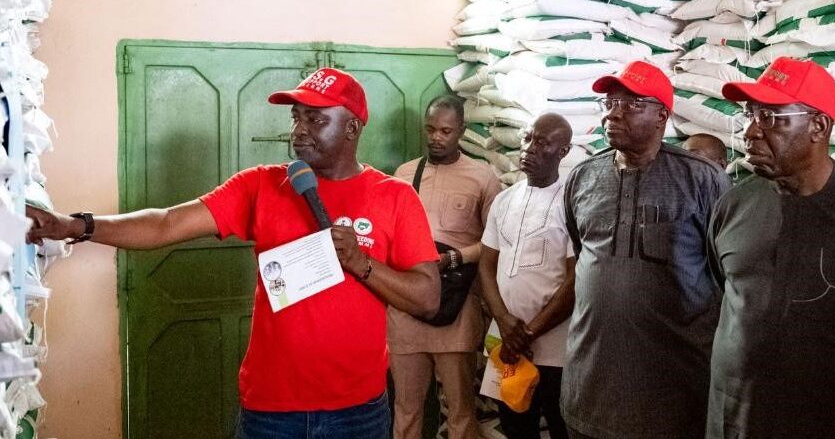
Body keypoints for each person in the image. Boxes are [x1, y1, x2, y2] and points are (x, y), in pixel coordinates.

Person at [25, 68, 441, 439]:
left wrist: (361, 264)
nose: (299, 129)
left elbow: (426, 297)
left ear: (351, 128)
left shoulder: (395, 197)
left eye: (315, 118)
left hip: (358, 411)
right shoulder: (261, 185)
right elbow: (167, 223)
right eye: (296, 117)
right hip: (271, 411)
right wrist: (76, 225)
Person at [561, 61, 732, 439]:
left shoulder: (702, 180)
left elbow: (727, 277)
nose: (614, 112)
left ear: (662, 117)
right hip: (590, 386)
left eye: (632, 103)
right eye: (609, 101)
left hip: (674, 393)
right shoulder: (582, 178)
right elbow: (582, 252)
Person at [707, 57, 835, 438]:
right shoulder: (733, 205)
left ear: (819, 126)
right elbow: (725, 291)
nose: (750, 131)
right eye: (750, 114)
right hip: (733, 420)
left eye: (771, 117)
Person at [389, 95, 501, 439]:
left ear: (462, 132)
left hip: (456, 310)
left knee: (460, 413)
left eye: (446, 131)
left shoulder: (483, 177)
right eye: (431, 129)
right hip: (407, 311)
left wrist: (454, 258)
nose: (436, 137)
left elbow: (497, 243)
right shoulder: (404, 174)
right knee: (406, 411)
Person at [478, 113, 575, 439]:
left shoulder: (571, 203)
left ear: (563, 151)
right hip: (508, 344)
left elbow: (576, 280)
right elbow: (485, 266)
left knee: (562, 427)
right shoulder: (504, 200)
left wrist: (528, 332)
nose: (529, 149)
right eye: (527, 139)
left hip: (556, 351)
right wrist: (504, 321)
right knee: (516, 426)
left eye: (543, 143)